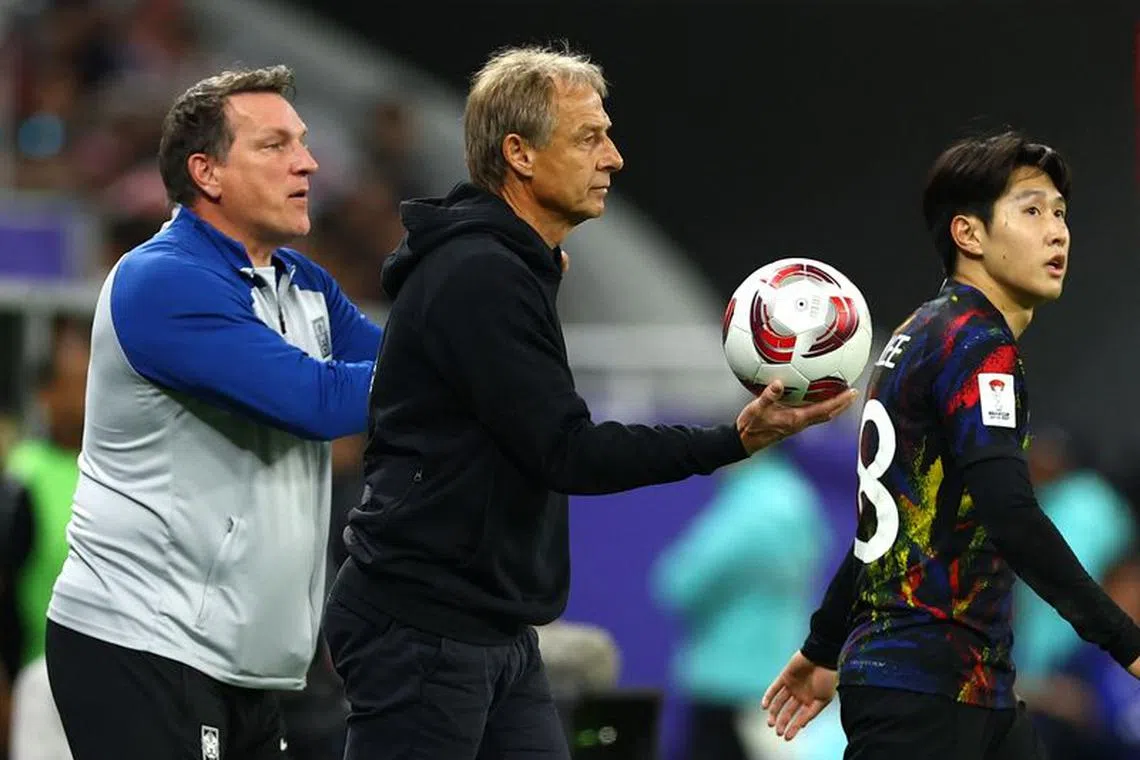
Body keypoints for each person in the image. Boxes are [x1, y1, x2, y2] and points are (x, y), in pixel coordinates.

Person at [322, 44, 856, 760]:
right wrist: (733, 439)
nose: (614, 158)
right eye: (589, 137)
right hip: (426, 626)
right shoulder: (483, 276)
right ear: (520, 154)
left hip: (487, 627)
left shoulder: (507, 266)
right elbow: (568, 452)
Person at [760, 131, 1140, 760]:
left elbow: (886, 527)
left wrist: (825, 644)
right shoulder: (976, 345)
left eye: (1060, 213)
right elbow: (1010, 513)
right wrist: (1123, 638)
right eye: (1031, 209)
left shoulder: (919, 333)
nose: (1058, 232)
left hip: (963, 687)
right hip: (929, 688)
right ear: (969, 234)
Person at [43, 65, 383, 760]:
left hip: (243, 662)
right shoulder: (160, 280)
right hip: (142, 642)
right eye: (275, 144)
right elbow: (319, 400)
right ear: (207, 172)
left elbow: (404, 367)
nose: (308, 162)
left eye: (304, 142)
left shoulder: (300, 281)